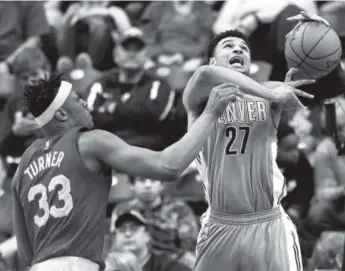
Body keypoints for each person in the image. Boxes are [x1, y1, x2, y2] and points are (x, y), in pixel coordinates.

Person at [12, 73, 242, 271]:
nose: (86, 103)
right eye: (78, 100)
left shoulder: (23, 163)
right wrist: (210, 114)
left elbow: (25, 251)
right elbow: (170, 166)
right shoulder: (89, 141)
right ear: (62, 114)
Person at [183, 28, 317, 270]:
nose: (237, 49)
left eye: (243, 48)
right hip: (220, 223)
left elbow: (313, 85)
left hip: (268, 223)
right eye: (228, 45)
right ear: (214, 60)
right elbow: (204, 73)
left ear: (249, 64)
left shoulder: (268, 93)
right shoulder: (200, 97)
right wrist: (272, 93)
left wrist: (318, 46)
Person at [107, 209, 190, 271]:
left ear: (147, 235)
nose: (127, 234)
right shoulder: (107, 266)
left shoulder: (168, 265)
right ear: (115, 238)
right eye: (122, 230)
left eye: (134, 229)